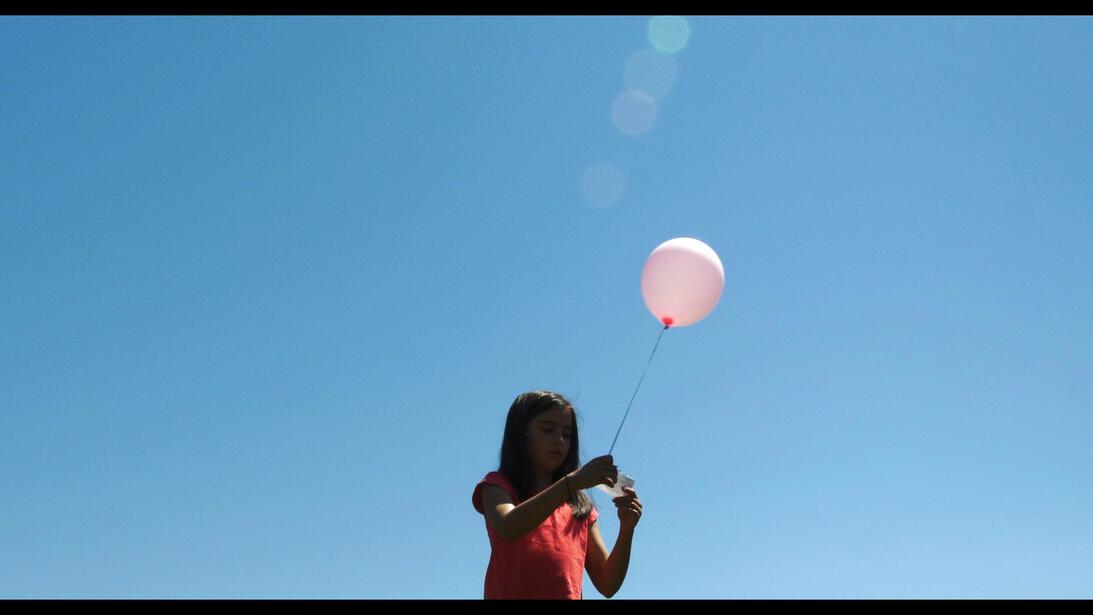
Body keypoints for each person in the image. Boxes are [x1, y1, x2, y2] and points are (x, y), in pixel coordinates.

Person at [471, 390, 643, 599]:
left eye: (567, 434)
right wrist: (573, 483)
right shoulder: (497, 485)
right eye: (547, 429)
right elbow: (508, 526)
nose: (559, 440)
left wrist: (626, 530)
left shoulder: (579, 505)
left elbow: (608, 584)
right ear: (520, 433)